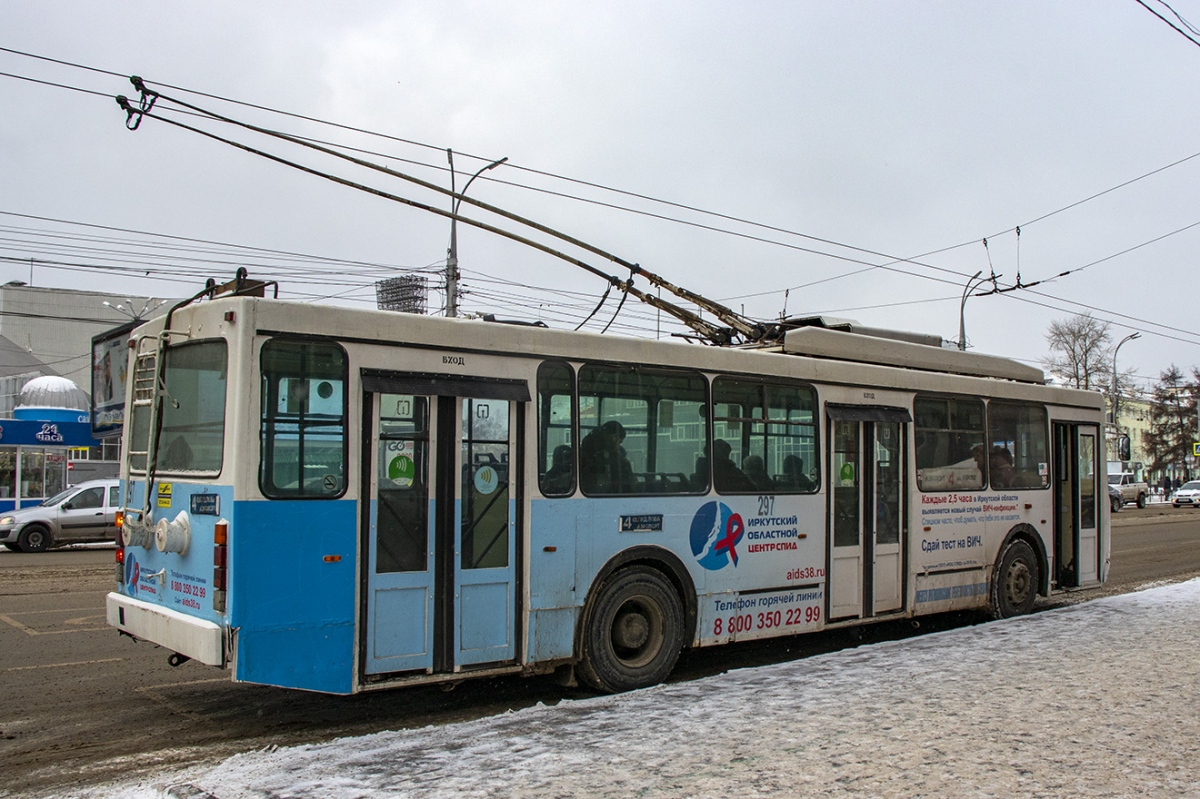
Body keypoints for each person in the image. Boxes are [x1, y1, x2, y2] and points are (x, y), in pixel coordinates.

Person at [579, 421, 630, 494]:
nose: (618, 445)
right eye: (618, 440)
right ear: (613, 437)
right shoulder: (590, 452)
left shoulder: (618, 455)